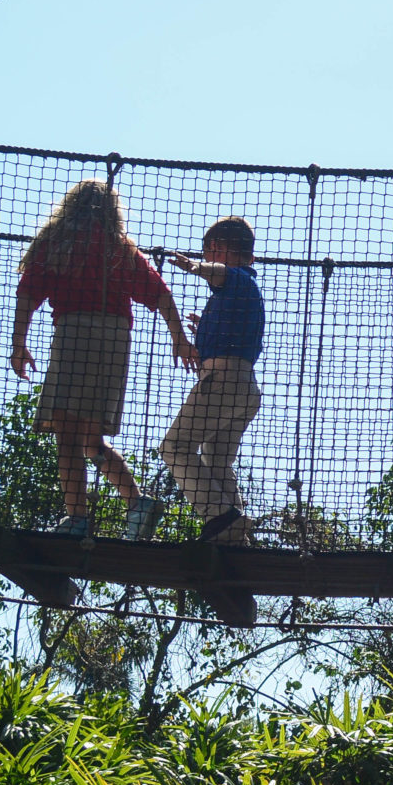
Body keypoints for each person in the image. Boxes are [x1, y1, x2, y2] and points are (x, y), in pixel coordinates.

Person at [10, 179, 193, 537]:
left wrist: (19, 344)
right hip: (115, 339)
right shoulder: (119, 249)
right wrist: (180, 339)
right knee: (90, 438)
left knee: (65, 432)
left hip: (75, 333)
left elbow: (27, 295)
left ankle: (77, 518)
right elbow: (161, 295)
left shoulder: (56, 244)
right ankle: (137, 502)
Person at [143, 216, 265, 544]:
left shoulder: (237, 278)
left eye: (210, 252)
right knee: (216, 458)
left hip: (223, 383)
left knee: (174, 446)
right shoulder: (242, 292)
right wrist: (206, 327)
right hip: (245, 388)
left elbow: (221, 272)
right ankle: (237, 536)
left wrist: (197, 267)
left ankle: (219, 517)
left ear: (216, 249)